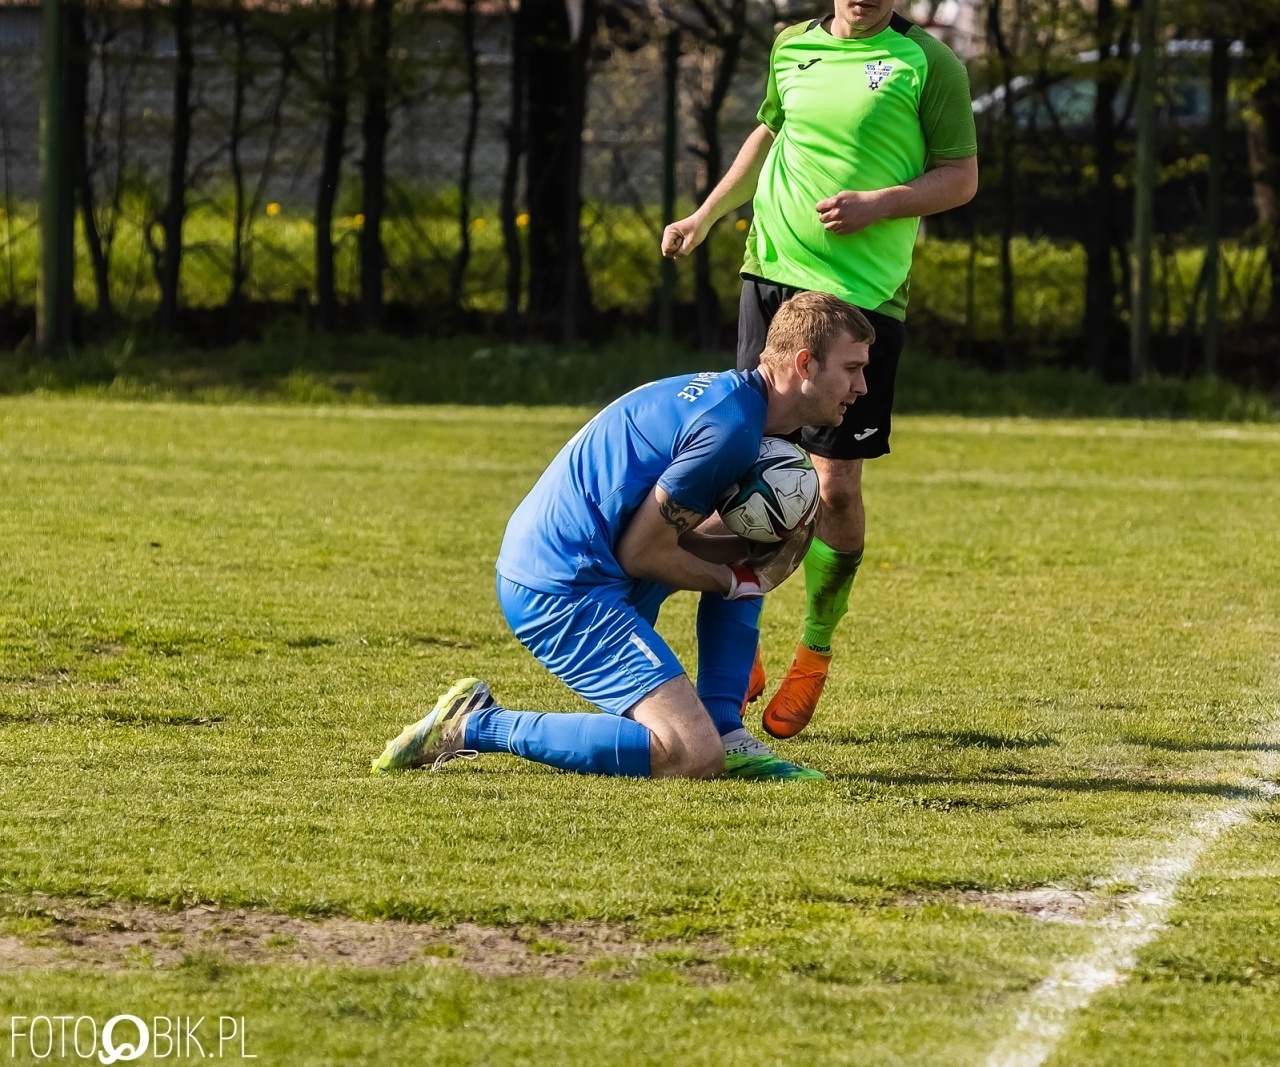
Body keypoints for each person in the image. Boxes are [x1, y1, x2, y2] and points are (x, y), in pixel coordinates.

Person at [370, 293, 873, 781]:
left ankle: (725, 726)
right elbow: (642, 552)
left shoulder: (740, 406)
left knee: (750, 543)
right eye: (852, 369)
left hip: (589, 559)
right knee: (690, 755)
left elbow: (649, 538)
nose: (863, 386)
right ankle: (474, 722)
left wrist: (744, 563)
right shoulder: (730, 430)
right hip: (561, 586)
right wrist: (729, 580)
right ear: (805, 364)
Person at [661, 0, 977, 739]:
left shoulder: (929, 64)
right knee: (743, 465)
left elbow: (960, 177)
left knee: (834, 486)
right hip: (771, 273)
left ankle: (816, 647)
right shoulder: (790, 46)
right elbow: (767, 136)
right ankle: (743, 645)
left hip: (864, 295)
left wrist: (883, 204)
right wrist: (705, 216)